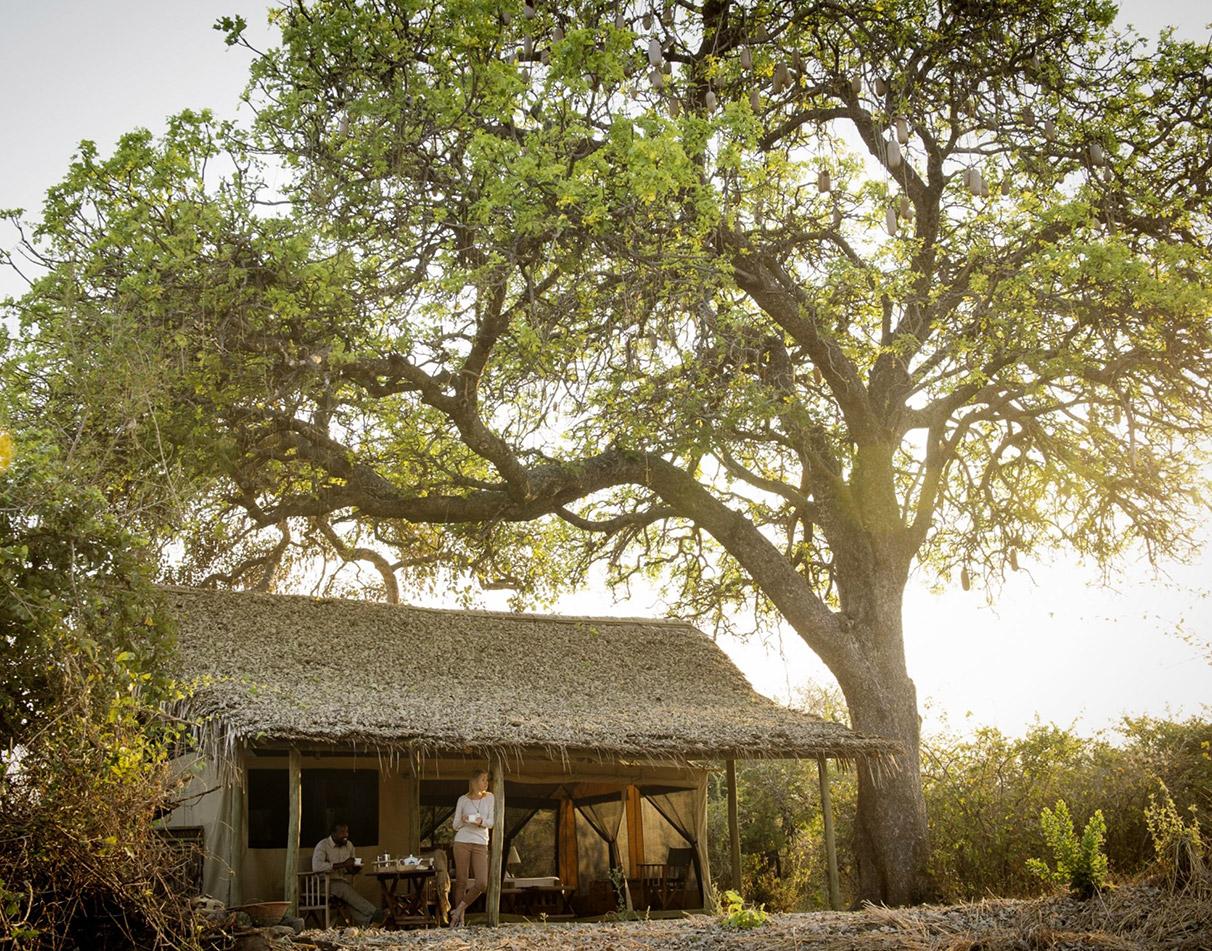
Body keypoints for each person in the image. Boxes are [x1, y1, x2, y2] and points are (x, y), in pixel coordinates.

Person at [449, 768, 494, 928]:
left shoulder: (490, 798)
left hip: (481, 843)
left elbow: (491, 822)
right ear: (474, 782)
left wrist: (480, 821)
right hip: (462, 842)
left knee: (482, 883)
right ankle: (458, 921)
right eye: (483, 780)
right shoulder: (463, 799)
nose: (486, 783)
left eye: (487, 780)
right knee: (461, 881)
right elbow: (455, 825)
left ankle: (458, 910)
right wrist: (464, 819)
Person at [311, 821, 378, 926]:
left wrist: (355, 868)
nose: (345, 835)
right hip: (322, 884)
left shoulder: (349, 845)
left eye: (347, 832)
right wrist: (342, 864)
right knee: (344, 890)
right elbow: (317, 867)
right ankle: (376, 913)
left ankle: (369, 922)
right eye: (342, 832)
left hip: (341, 883)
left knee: (348, 897)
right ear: (333, 833)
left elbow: (349, 868)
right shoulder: (323, 845)